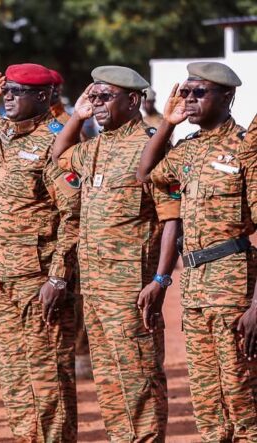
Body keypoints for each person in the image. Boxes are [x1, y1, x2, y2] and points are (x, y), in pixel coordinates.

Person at [52, 65, 181, 442]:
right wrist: (77, 116)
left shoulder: (150, 146)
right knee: (110, 384)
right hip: (94, 288)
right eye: (93, 97)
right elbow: (60, 156)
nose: (97, 104)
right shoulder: (96, 145)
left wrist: (160, 279)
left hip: (130, 290)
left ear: (133, 100)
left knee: (139, 380)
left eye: (105, 97)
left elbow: (171, 217)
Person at [136, 61, 257, 442]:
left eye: (198, 93)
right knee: (206, 397)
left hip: (233, 282)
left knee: (241, 392)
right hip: (195, 285)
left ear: (226, 96)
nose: (188, 99)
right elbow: (146, 173)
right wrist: (167, 124)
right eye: (184, 92)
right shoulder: (188, 148)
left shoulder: (247, 149)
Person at [0, 64, 79, 442]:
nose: (7, 97)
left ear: (42, 96)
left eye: (17, 91)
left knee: (47, 371)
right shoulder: (0, 131)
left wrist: (58, 277)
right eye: (6, 90)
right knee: (13, 372)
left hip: (37, 277)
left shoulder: (56, 141)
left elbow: (74, 215)